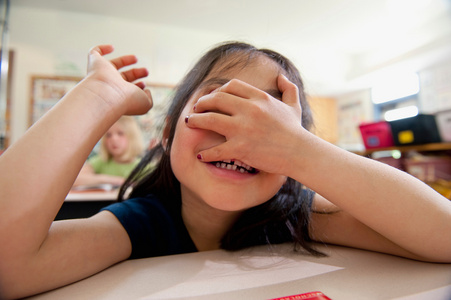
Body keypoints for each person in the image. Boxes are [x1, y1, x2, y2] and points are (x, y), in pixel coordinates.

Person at [0, 42, 450, 299]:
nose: (244, 134)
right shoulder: (140, 225)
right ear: (169, 135)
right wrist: (98, 95)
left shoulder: (298, 218)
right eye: (217, 106)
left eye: (273, 120)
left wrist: (300, 152)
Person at [72, 116, 144, 188]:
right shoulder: (101, 162)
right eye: (108, 135)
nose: (114, 139)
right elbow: (74, 179)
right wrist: (114, 180)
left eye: (120, 133)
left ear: (132, 137)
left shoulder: (144, 167)